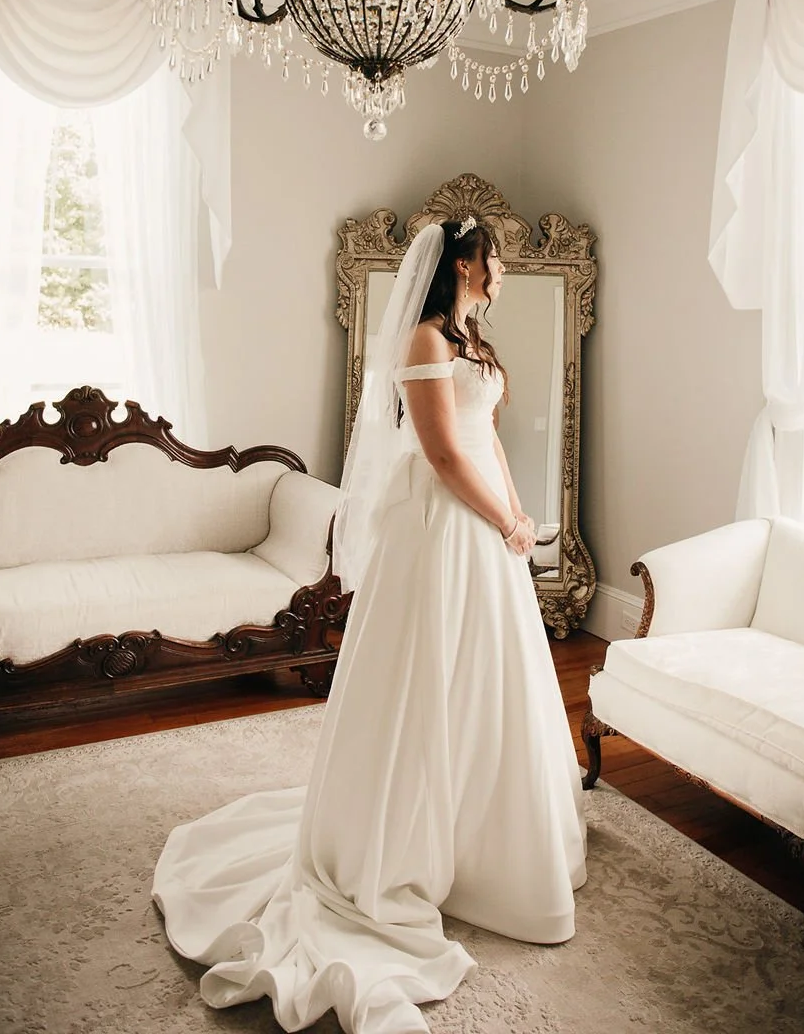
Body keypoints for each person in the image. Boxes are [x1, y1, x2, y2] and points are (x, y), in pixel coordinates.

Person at [153, 217, 587, 1034]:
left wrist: (519, 513)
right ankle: (406, 838)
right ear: (463, 262)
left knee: (488, 681)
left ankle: (487, 839)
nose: (502, 271)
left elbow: (485, 439)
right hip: (439, 530)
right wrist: (503, 521)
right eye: (495, 258)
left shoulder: (473, 341)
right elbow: (443, 456)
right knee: (427, 679)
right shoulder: (424, 342)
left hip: (486, 529)